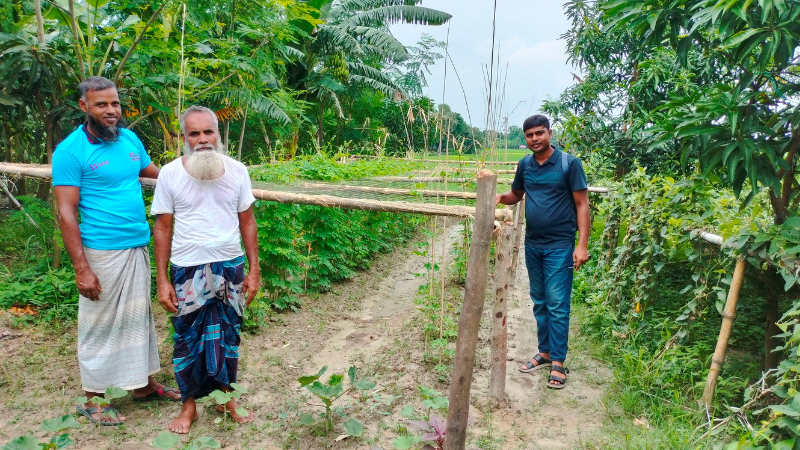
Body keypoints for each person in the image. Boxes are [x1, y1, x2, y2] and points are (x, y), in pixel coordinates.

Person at [53, 76, 181, 426]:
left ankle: (142, 386)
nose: (111, 111)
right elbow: (66, 212)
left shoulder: (129, 139)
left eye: (115, 104)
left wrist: (194, 174)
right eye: (101, 104)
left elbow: (155, 174)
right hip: (101, 252)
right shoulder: (71, 150)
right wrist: (82, 268)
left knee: (137, 318)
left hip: (136, 245)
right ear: (84, 106)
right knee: (99, 324)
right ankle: (93, 398)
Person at [151, 105, 260, 433]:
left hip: (230, 266)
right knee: (187, 340)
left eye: (208, 132)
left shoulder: (238, 170)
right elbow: (162, 228)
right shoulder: (170, 174)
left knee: (228, 336)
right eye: (193, 134)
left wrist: (254, 270)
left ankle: (227, 399)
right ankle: (189, 407)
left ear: (218, 134)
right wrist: (162, 280)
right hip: (187, 269)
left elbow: (248, 222)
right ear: (184, 138)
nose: (202, 140)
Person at [496, 114, 590, 389]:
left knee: (557, 303)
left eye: (539, 133)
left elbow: (582, 204)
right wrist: (499, 197)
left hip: (560, 246)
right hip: (533, 244)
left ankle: (558, 362)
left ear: (549, 133)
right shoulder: (525, 165)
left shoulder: (568, 164)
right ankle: (546, 352)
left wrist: (581, 245)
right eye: (529, 135)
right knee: (539, 300)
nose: (534, 138)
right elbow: (517, 194)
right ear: (524, 138)